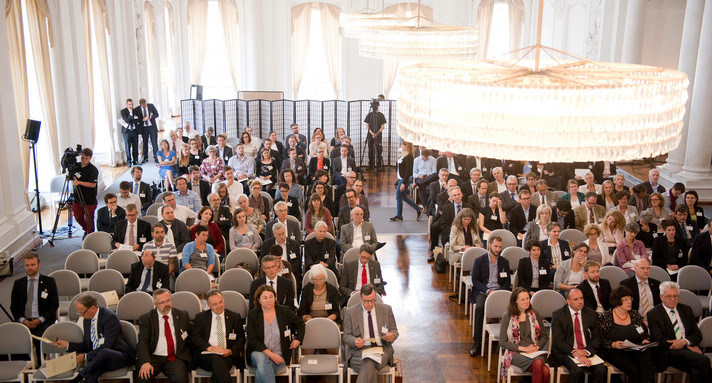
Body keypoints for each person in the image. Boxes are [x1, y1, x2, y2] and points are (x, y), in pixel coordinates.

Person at [54, 294, 134, 383]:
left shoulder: (109, 317)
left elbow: (107, 346)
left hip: (117, 356)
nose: (80, 316)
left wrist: (85, 356)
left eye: (82, 312)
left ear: (93, 308)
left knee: (104, 352)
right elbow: (87, 345)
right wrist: (67, 344)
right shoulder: (87, 320)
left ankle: (77, 378)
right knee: (90, 377)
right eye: (79, 313)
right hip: (98, 359)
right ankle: (81, 377)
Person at [647, 281, 712, 381]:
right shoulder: (653, 314)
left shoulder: (686, 309)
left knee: (697, 372)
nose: (672, 299)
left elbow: (697, 335)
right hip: (668, 353)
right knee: (704, 360)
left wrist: (684, 342)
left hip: (686, 351)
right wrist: (686, 345)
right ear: (661, 297)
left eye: (675, 296)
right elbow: (660, 340)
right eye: (668, 296)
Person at [596, 286, 655, 383]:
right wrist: (613, 344)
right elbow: (600, 339)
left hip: (634, 349)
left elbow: (645, 334)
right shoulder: (606, 316)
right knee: (635, 371)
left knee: (646, 354)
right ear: (616, 301)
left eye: (630, 298)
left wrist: (646, 340)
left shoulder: (634, 314)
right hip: (614, 351)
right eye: (625, 299)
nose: (629, 302)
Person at [246, 285, 304, 383]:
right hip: (258, 353)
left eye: (271, 297)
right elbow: (252, 340)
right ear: (258, 300)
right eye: (265, 298)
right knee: (262, 358)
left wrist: (298, 339)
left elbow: (300, 323)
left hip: (279, 354)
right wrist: (270, 354)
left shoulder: (284, 311)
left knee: (262, 371)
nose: (269, 300)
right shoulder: (253, 314)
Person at [343, 284, 398, 383]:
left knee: (369, 362)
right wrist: (354, 341)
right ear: (361, 298)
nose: (370, 304)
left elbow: (394, 330)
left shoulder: (386, 310)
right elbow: (346, 336)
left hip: (382, 350)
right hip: (358, 352)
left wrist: (391, 336)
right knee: (370, 365)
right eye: (366, 301)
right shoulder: (350, 312)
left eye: (372, 300)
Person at [550, 288, 607, 383]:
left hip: (586, 351)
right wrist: (576, 354)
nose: (580, 302)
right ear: (568, 301)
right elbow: (558, 341)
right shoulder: (558, 315)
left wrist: (586, 352)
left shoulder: (592, 314)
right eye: (576, 299)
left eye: (581, 298)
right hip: (567, 352)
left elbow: (597, 338)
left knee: (601, 370)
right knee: (577, 371)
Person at [10, 253, 59, 361]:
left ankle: (39, 367)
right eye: (27, 265)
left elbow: (54, 305)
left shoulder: (49, 282)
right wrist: (23, 321)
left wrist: (39, 320)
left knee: (41, 341)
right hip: (24, 322)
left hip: (43, 321)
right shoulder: (18, 284)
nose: (30, 268)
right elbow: (14, 307)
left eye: (33, 265)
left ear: (39, 265)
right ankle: (25, 368)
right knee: (15, 342)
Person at [136, 289, 191, 383]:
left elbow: (191, 336)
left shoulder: (182, 315)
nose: (166, 304)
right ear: (155, 304)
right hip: (153, 357)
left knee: (181, 379)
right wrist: (145, 361)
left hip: (174, 356)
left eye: (168, 300)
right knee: (144, 378)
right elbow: (143, 342)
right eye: (162, 302)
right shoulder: (146, 319)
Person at [469, 236, 511, 356]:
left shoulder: (504, 262)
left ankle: (504, 341)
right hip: (484, 292)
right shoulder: (480, 260)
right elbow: (475, 281)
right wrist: (488, 291)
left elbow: (507, 282)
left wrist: (500, 292)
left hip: (499, 292)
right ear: (489, 245)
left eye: (500, 247)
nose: (498, 249)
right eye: (495, 246)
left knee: (510, 310)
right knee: (480, 308)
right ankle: (477, 341)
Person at [191, 290, 246, 382]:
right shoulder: (201, 317)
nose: (219, 306)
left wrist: (230, 351)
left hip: (227, 355)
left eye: (220, 302)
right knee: (216, 358)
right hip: (206, 356)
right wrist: (210, 348)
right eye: (215, 304)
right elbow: (195, 337)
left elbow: (241, 339)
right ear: (209, 306)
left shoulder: (234, 317)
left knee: (218, 364)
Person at [499, 287, 550, 383]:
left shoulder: (534, 313)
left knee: (544, 370)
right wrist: (523, 348)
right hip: (515, 352)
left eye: (527, 298)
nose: (526, 301)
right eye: (522, 299)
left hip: (534, 351)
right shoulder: (507, 315)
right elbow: (502, 341)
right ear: (516, 301)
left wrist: (537, 347)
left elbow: (544, 336)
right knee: (544, 369)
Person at [260, 223, 302, 287]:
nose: (282, 236)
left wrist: (288, 269)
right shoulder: (266, 245)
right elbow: (262, 261)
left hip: (289, 272)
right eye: (279, 235)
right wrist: (274, 270)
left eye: (283, 233)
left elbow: (298, 262)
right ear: (274, 234)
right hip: (270, 272)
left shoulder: (294, 244)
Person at [391, 142, 424, 221]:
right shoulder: (403, 156)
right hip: (401, 179)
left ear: (407, 146)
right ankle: (418, 209)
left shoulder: (409, 157)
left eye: (403, 145)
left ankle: (399, 216)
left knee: (398, 197)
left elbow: (408, 171)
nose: (401, 146)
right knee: (403, 197)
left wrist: (403, 183)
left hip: (404, 179)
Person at [73, 147, 99, 235]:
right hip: (77, 198)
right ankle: (85, 229)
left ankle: (90, 235)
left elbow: (92, 184)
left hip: (89, 199)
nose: (84, 160)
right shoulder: (76, 166)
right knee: (78, 217)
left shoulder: (93, 170)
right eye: (82, 158)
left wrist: (79, 182)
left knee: (89, 220)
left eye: (86, 159)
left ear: (90, 158)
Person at [135, 98, 160, 163]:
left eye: (145, 104)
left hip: (152, 127)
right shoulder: (137, 109)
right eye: (143, 106)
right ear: (140, 105)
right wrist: (142, 120)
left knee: (154, 142)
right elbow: (136, 119)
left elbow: (157, 114)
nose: (145, 106)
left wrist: (152, 117)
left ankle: (156, 157)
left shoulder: (151, 106)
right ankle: (145, 157)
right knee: (145, 143)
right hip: (144, 128)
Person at [364, 102, 386, 170]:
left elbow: (383, 126)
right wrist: (372, 133)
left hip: (378, 135)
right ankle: (370, 164)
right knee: (370, 149)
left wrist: (377, 133)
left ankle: (378, 165)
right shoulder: (370, 115)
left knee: (379, 150)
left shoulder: (381, 115)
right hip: (370, 135)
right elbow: (367, 125)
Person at [120, 98, 141, 166]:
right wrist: (131, 114)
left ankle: (136, 160)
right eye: (129, 104)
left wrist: (132, 120)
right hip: (127, 132)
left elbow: (138, 120)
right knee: (127, 147)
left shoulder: (136, 111)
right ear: (126, 104)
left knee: (135, 146)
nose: (131, 106)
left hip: (134, 131)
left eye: (132, 104)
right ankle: (129, 161)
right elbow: (127, 120)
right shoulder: (123, 111)